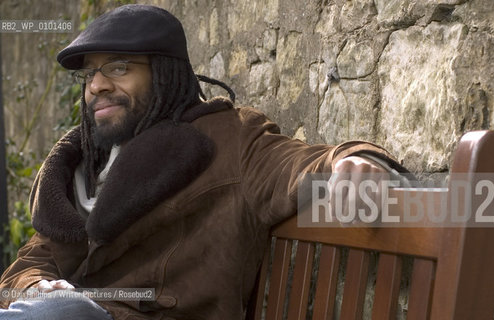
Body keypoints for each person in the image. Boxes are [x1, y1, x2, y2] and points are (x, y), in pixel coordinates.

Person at [0, 4, 404, 320]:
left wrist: (354, 160)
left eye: (118, 68)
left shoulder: (230, 140)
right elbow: (29, 266)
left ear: (163, 72)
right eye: (88, 75)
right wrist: (38, 286)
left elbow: (298, 163)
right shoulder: (84, 165)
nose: (97, 85)